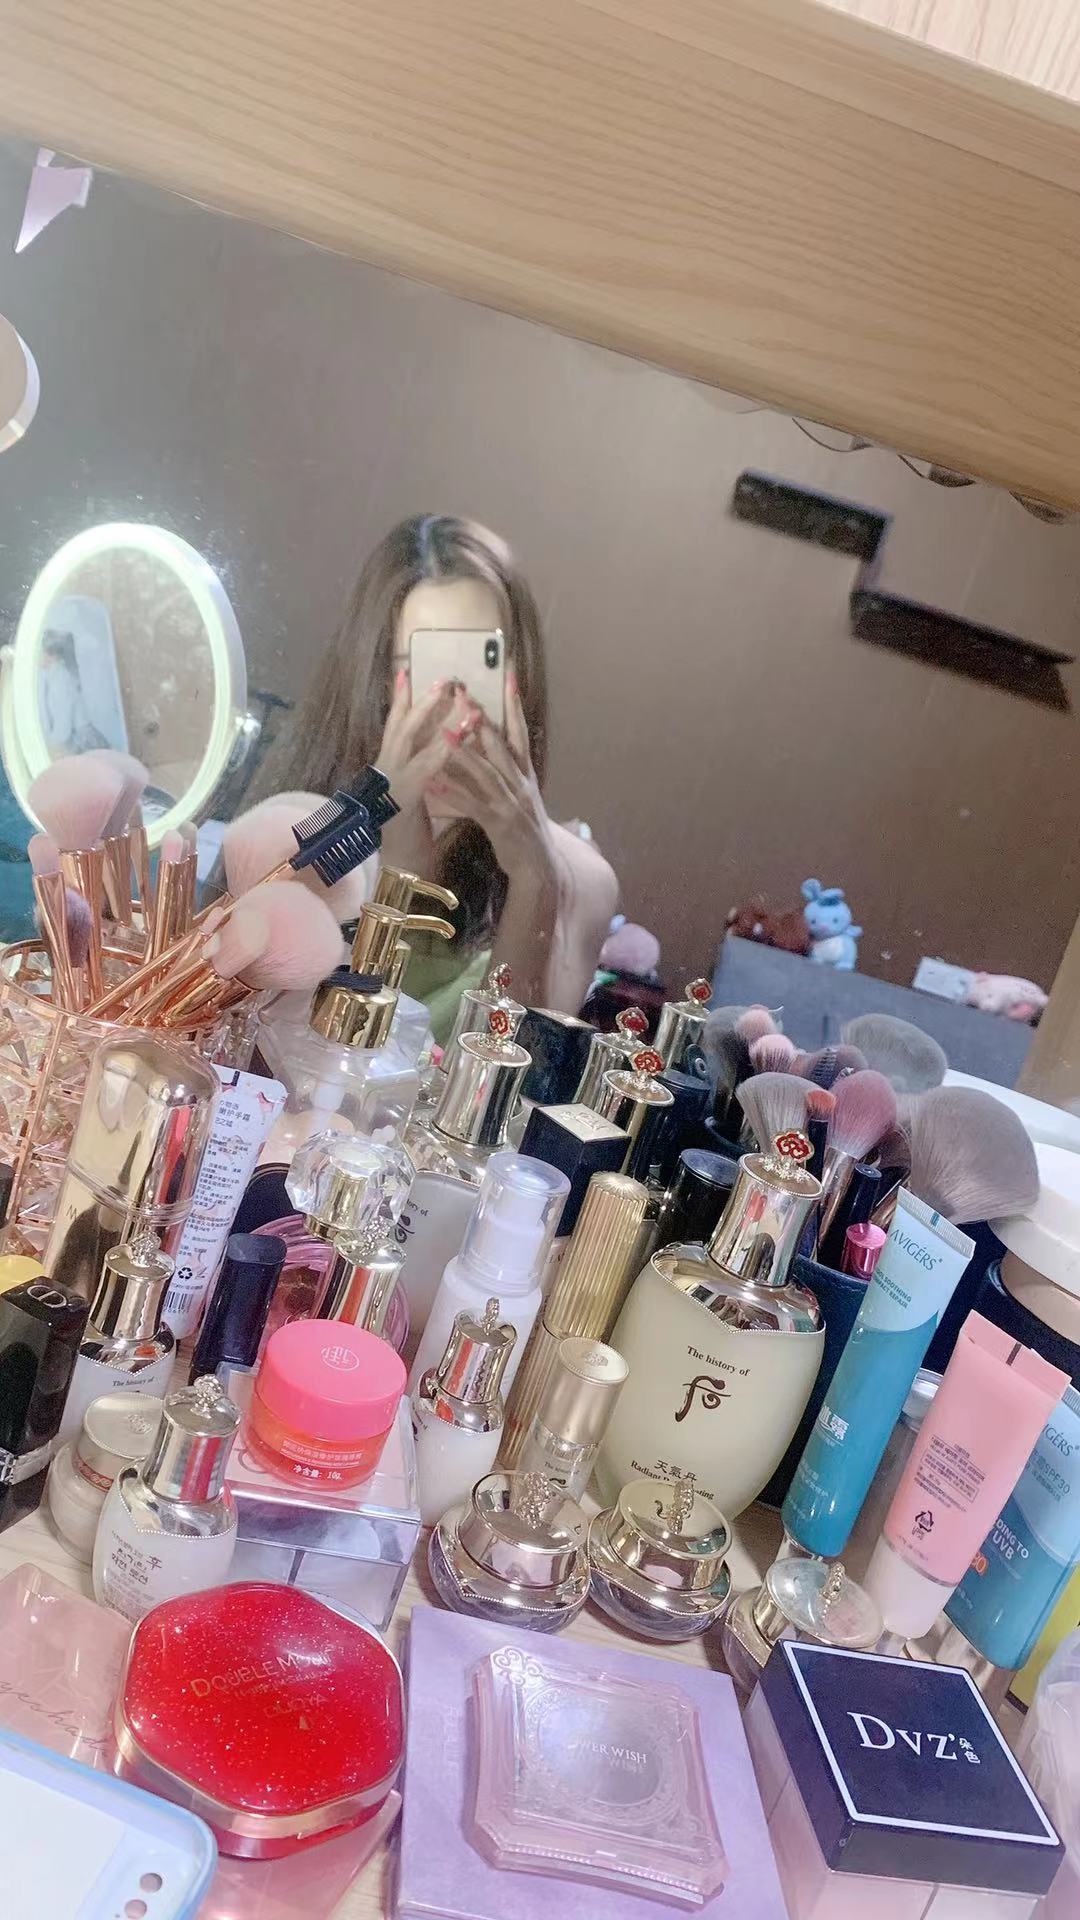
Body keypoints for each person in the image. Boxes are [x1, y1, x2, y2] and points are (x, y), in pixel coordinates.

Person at [256, 514, 618, 1039]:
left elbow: (503, 1070)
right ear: (375, 679)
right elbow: (266, 1049)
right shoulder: (303, 834)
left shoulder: (581, 881)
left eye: (480, 664)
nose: (456, 707)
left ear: (520, 675)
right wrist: (392, 862)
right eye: (425, 668)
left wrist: (534, 883)